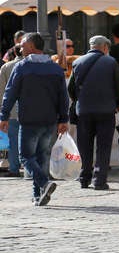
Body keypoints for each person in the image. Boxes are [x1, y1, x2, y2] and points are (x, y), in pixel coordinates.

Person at [0, 33, 69, 206]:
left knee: (26, 157)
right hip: (50, 120)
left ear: (31, 46)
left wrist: (4, 115)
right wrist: (63, 119)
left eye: (23, 45)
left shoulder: (23, 67)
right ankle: (38, 195)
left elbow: (10, 93)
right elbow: (63, 96)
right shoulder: (55, 68)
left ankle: (44, 184)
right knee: (42, 156)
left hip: (30, 119)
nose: (20, 48)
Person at [68, 35, 119, 190]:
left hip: (84, 111)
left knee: (84, 145)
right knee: (103, 146)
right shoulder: (111, 62)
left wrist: (79, 100)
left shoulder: (77, 62)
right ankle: (99, 180)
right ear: (105, 47)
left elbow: (71, 88)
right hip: (106, 110)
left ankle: (84, 177)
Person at [0, 44, 24, 177]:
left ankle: (14, 168)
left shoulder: (6, 67)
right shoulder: (30, 66)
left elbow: (1, 91)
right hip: (30, 110)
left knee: (13, 141)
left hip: (11, 111)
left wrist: (2, 111)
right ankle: (28, 167)